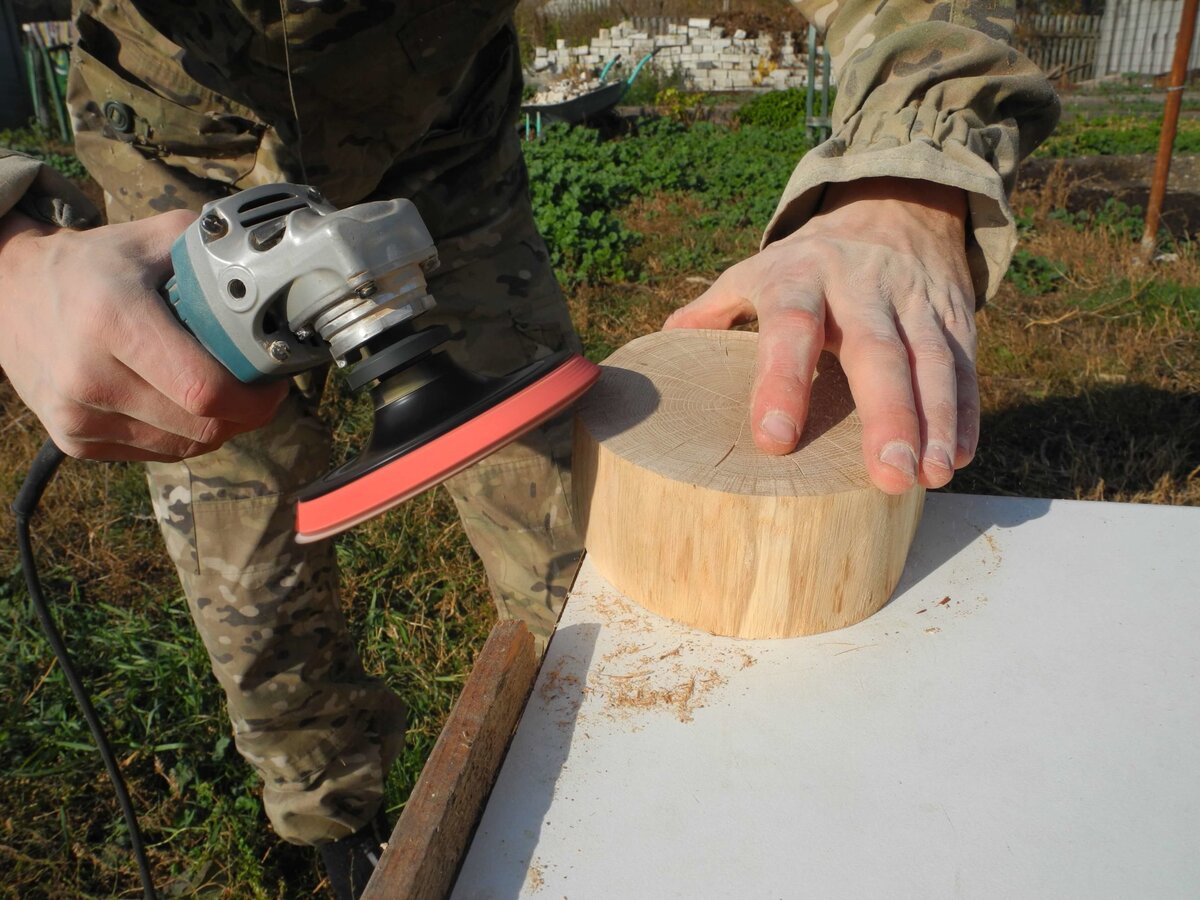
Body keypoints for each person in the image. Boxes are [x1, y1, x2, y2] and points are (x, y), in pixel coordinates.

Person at [0, 0, 1058, 895]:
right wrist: (9, 247)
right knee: (246, 577)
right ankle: (335, 830)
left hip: (439, 173)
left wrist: (905, 180)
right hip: (168, 203)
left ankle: (637, 795)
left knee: (584, 544)